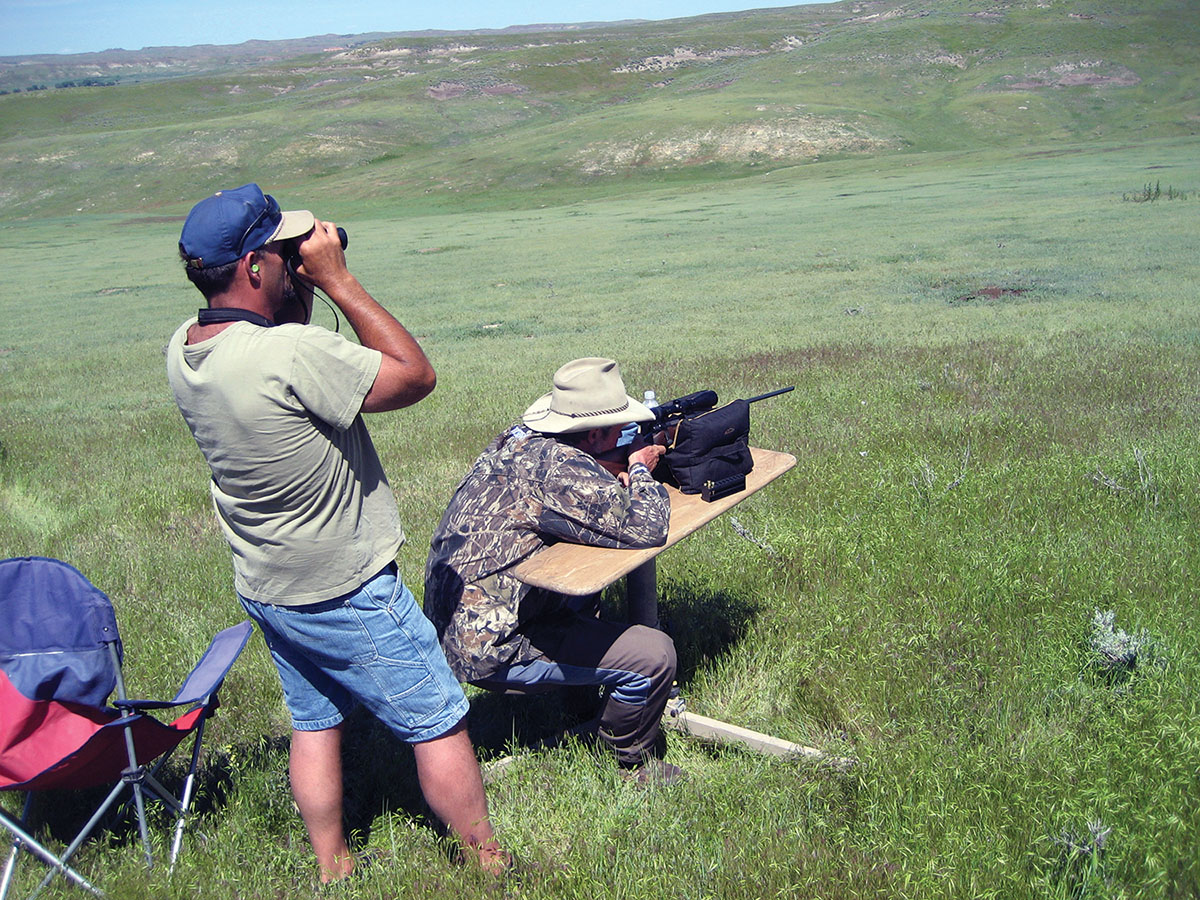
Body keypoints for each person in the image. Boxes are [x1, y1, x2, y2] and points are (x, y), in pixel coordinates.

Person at [165, 183, 507, 882]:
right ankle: (492, 864)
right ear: (258, 267)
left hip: (270, 583)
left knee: (315, 720)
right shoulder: (289, 354)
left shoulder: (186, 349)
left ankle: (333, 867)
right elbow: (414, 377)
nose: (297, 263)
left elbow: (275, 338)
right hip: (344, 586)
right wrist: (338, 277)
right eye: (281, 254)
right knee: (439, 718)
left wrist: (296, 285)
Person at [424, 358, 683, 784]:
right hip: (493, 645)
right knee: (654, 656)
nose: (624, 437)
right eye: (619, 431)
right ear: (595, 433)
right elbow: (647, 527)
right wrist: (639, 466)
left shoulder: (518, 440)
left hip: (452, 624)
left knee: (587, 590)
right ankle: (627, 759)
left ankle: (579, 703)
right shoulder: (560, 467)